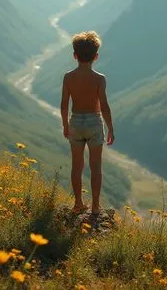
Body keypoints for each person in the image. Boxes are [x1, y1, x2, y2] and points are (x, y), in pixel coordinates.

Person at [60, 30, 115, 215]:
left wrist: (65, 125)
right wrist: (110, 128)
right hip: (94, 122)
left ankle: (78, 203)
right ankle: (96, 207)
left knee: (77, 166)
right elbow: (104, 106)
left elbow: (64, 104)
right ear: (96, 56)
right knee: (96, 166)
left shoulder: (68, 77)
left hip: (75, 121)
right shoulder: (100, 79)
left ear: (75, 55)